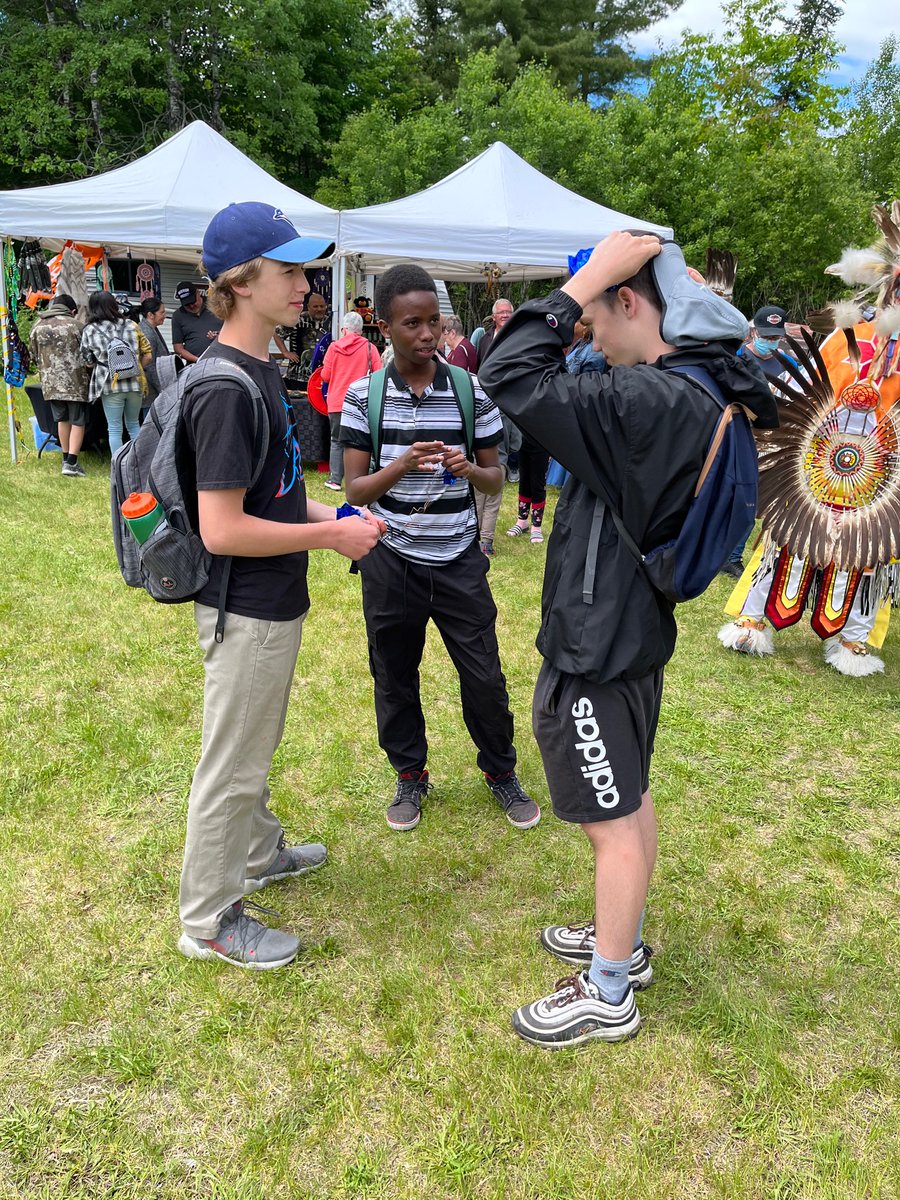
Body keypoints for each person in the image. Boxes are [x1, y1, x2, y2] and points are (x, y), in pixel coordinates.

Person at [479, 231, 775, 1047]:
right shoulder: (690, 386)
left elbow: (506, 374)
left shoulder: (649, 403)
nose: (587, 333)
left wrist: (589, 278)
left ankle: (609, 989)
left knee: (609, 818)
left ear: (629, 300)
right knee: (630, 791)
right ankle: (625, 939)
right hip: (631, 628)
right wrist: (593, 291)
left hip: (600, 640)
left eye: (597, 312)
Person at [176, 201, 383, 970]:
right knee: (231, 764)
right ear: (240, 282)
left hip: (269, 602)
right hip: (246, 607)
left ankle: (258, 853)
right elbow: (223, 529)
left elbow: (276, 496)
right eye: (290, 271)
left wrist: (333, 516)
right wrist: (332, 535)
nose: (306, 284)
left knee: (250, 750)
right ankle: (207, 919)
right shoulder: (228, 388)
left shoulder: (260, 369)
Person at [340, 264, 539, 833]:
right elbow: (354, 488)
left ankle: (500, 771)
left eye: (435, 321)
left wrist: (468, 467)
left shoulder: (467, 388)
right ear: (384, 325)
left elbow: (497, 480)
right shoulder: (364, 397)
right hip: (391, 559)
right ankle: (410, 775)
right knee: (394, 674)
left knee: (484, 676)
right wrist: (400, 465)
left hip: (458, 557)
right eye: (413, 323)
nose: (428, 334)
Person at [79, 291, 153, 454]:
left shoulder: (89, 330)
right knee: (134, 424)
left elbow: (88, 362)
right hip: (134, 382)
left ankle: (119, 468)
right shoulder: (131, 325)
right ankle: (139, 463)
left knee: (114, 428)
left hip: (109, 384)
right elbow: (148, 353)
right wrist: (133, 367)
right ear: (114, 304)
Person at [320, 311, 382, 491]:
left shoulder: (333, 347)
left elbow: (325, 376)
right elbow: (378, 375)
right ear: (361, 331)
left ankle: (335, 480)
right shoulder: (370, 348)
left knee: (337, 440)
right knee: (361, 440)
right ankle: (360, 478)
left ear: (343, 329)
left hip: (337, 400)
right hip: (361, 402)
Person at [28, 293, 89, 477]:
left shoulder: (37, 326)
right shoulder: (77, 326)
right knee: (78, 421)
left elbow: (33, 355)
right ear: (72, 310)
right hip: (76, 383)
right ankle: (71, 463)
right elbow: (88, 356)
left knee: (62, 420)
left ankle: (65, 458)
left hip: (50, 384)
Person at [274, 292, 330, 385]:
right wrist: (285, 352)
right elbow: (276, 333)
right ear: (308, 307)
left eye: (322, 306)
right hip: (297, 376)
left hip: (321, 376)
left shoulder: (330, 322)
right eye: (315, 306)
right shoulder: (298, 320)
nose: (319, 309)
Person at [171, 282, 223, 364]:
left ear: (198, 293)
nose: (191, 306)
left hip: (221, 361)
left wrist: (219, 335)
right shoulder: (178, 316)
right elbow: (178, 348)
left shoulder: (215, 305)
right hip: (195, 366)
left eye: (193, 301)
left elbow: (234, 331)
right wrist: (198, 360)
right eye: (187, 304)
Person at [138, 297, 171, 407]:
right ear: (150, 315)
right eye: (161, 312)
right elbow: (150, 366)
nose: (164, 316)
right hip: (151, 390)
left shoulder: (150, 328)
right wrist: (162, 389)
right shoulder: (147, 333)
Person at [476, 297, 514, 367]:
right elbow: (480, 366)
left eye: (508, 312)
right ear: (493, 317)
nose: (505, 315)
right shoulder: (484, 340)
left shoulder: (520, 337)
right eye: (501, 312)